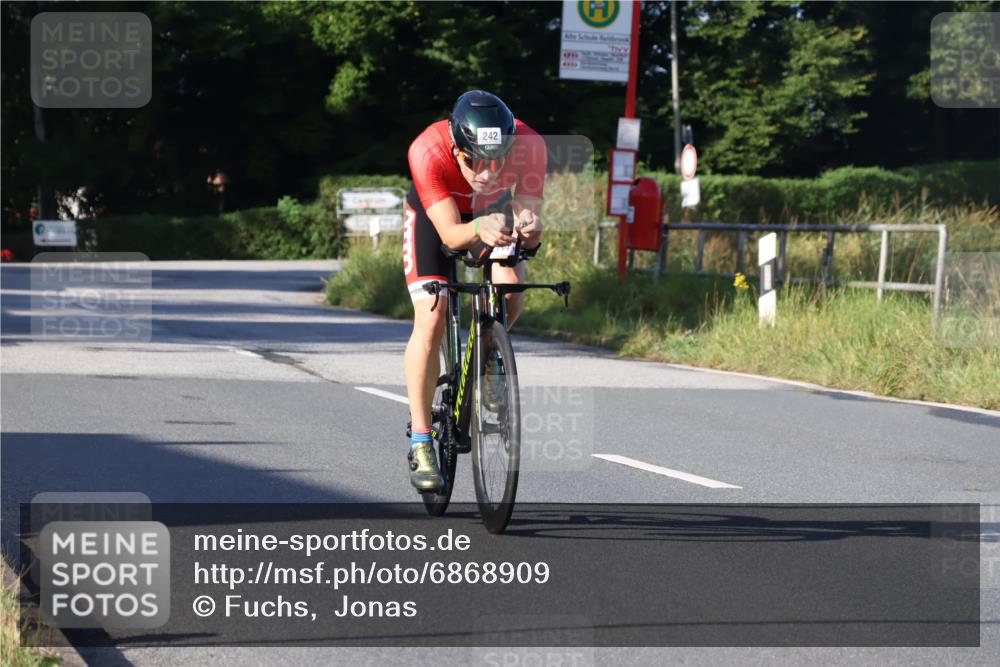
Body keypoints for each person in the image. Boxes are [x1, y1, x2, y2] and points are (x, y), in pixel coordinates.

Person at [403, 90, 547, 491]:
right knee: (431, 315)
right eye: (473, 161)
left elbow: (528, 218)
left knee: (511, 286)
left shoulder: (530, 145)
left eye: (497, 160)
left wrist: (530, 229)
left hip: (492, 212)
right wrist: (476, 227)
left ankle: (487, 357)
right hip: (438, 215)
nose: (485, 172)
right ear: (456, 148)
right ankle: (421, 439)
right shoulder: (427, 150)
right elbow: (450, 233)